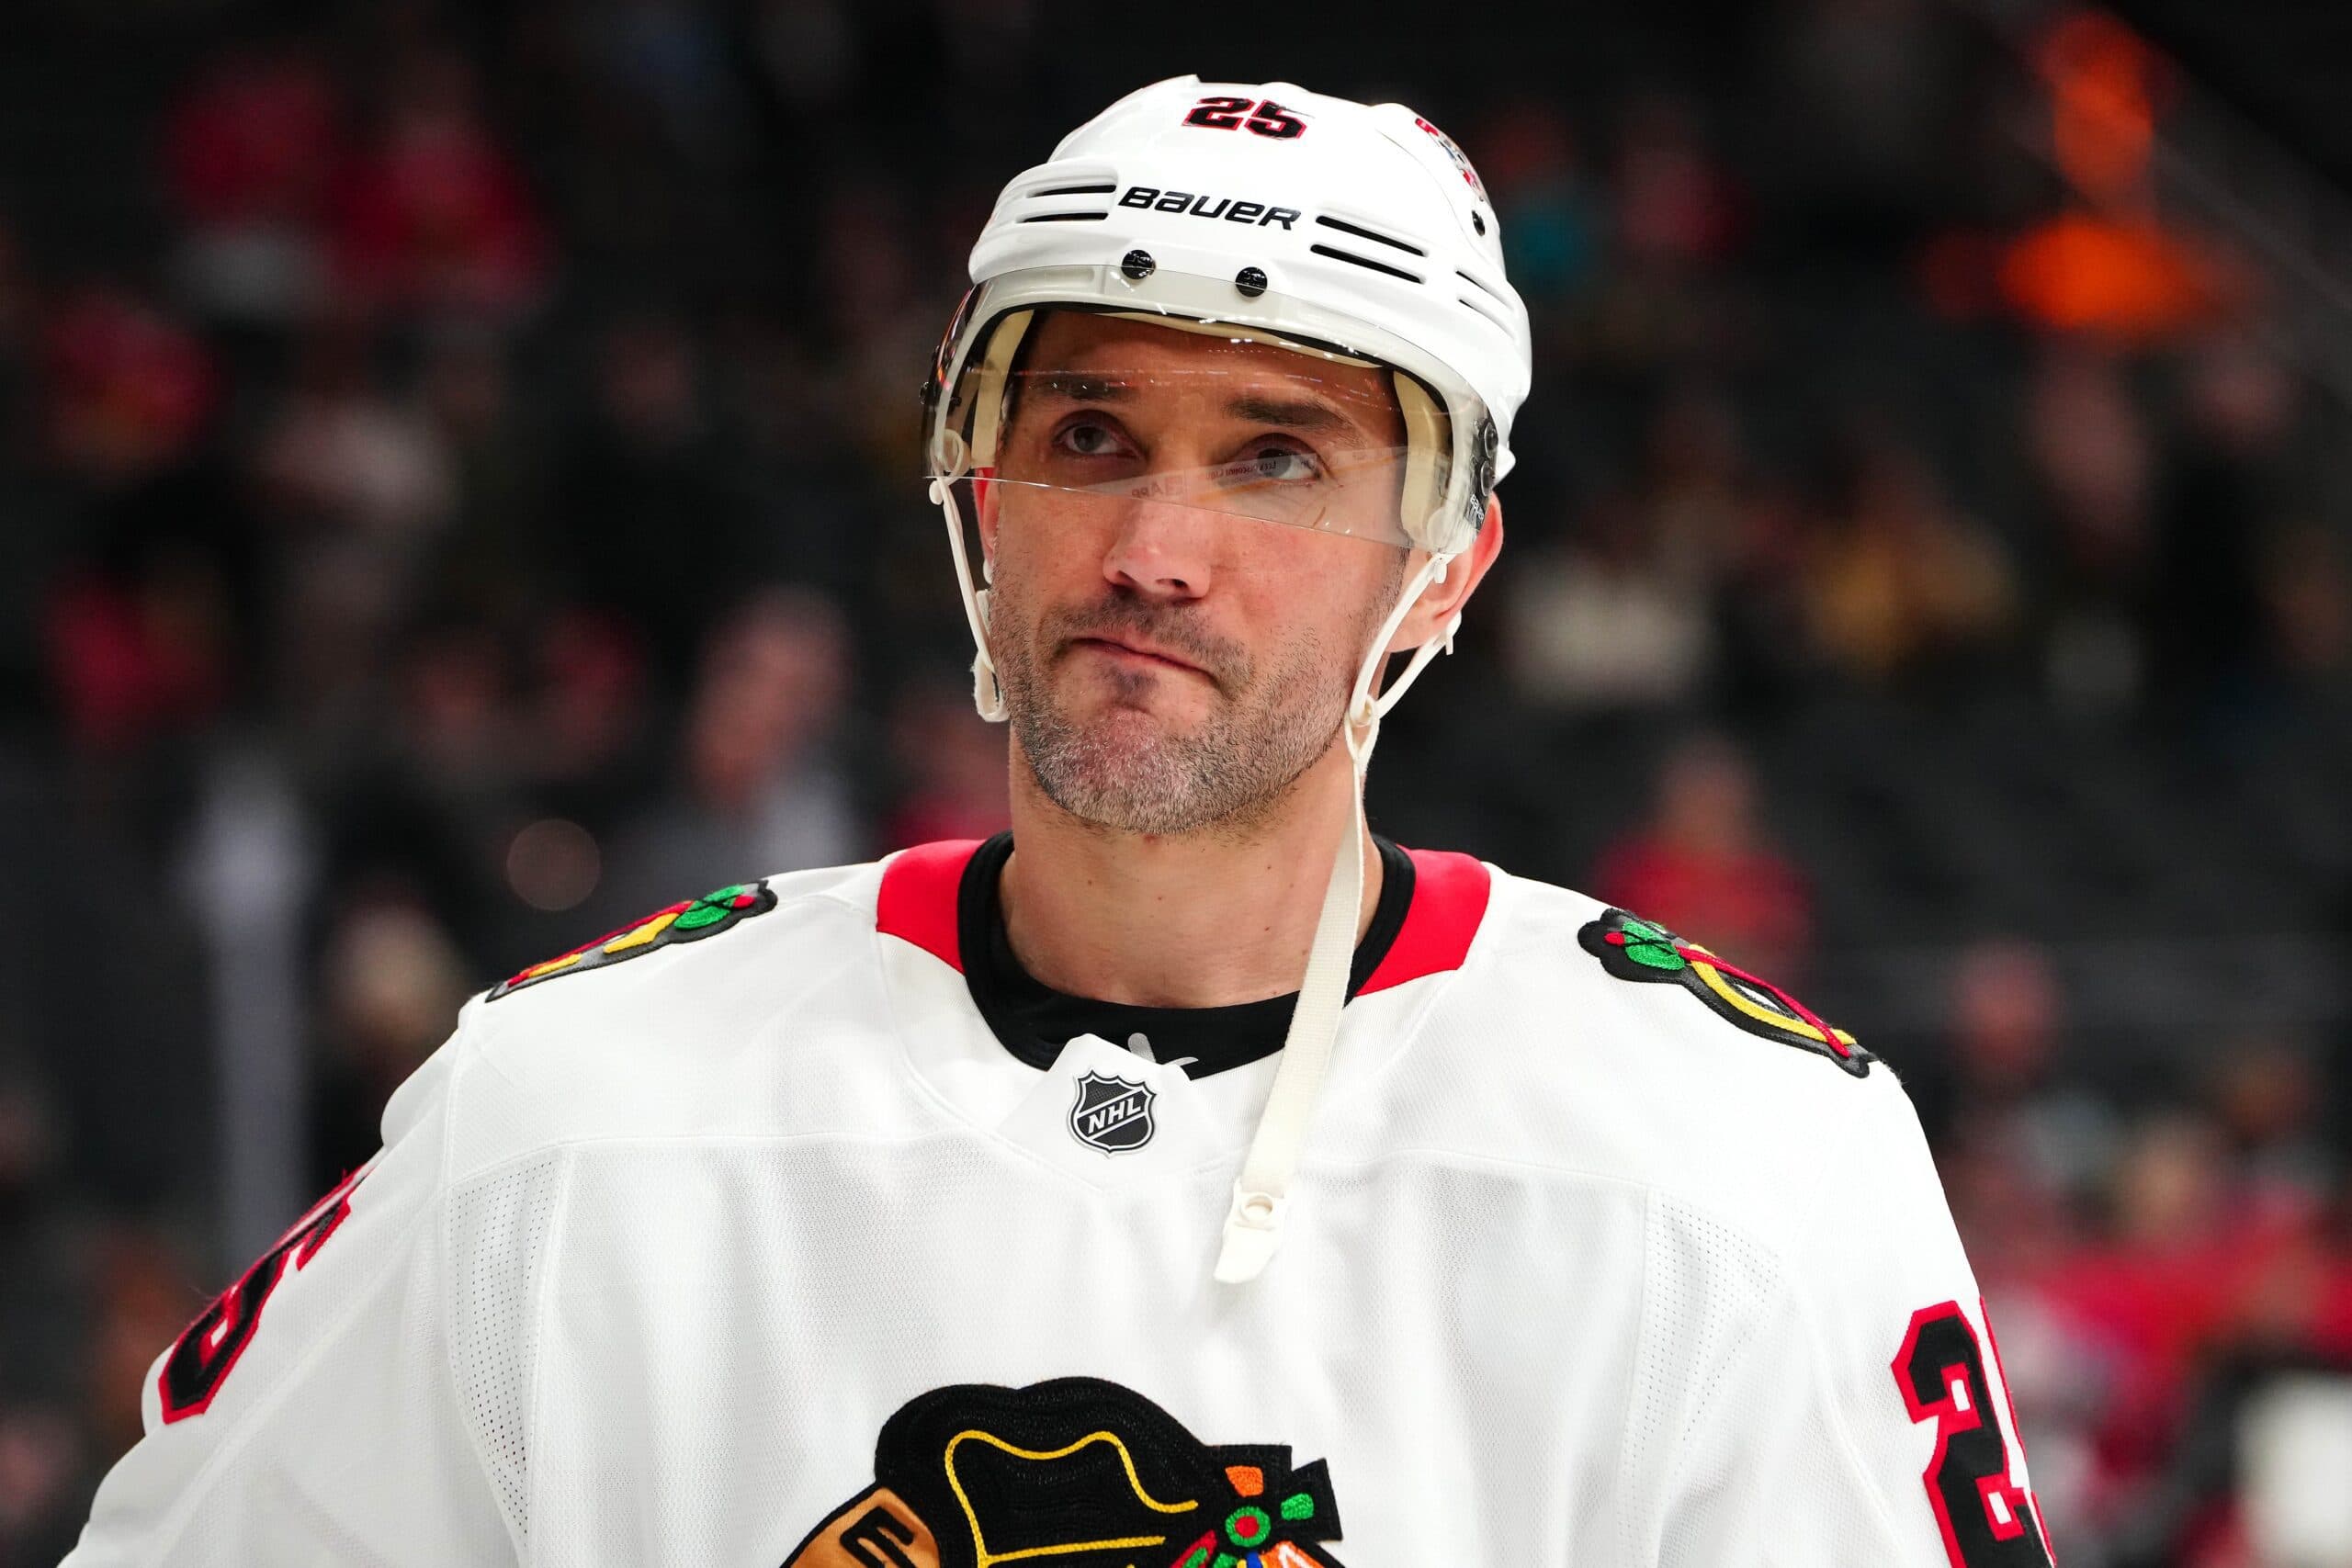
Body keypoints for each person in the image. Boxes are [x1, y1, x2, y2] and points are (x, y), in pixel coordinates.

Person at [64, 77, 2047, 1567]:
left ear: (1440, 572)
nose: (1155, 550)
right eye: (1090, 436)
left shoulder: (1746, 1156)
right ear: (982, 496)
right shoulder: (564, 1106)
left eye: (1273, 456)